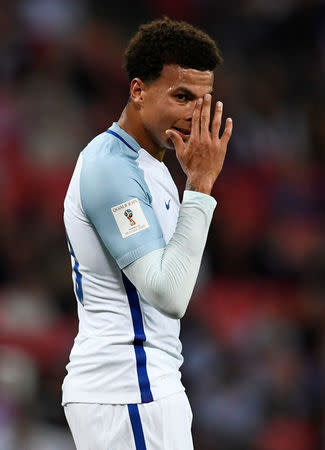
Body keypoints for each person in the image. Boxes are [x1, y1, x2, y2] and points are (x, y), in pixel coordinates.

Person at [62, 17, 232, 450]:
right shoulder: (111, 168)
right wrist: (201, 186)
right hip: (127, 390)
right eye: (181, 96)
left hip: (143, 387)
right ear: (138, 91)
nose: (194, 114)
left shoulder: (151, 164)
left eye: (203, 100)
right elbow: (169, 294)